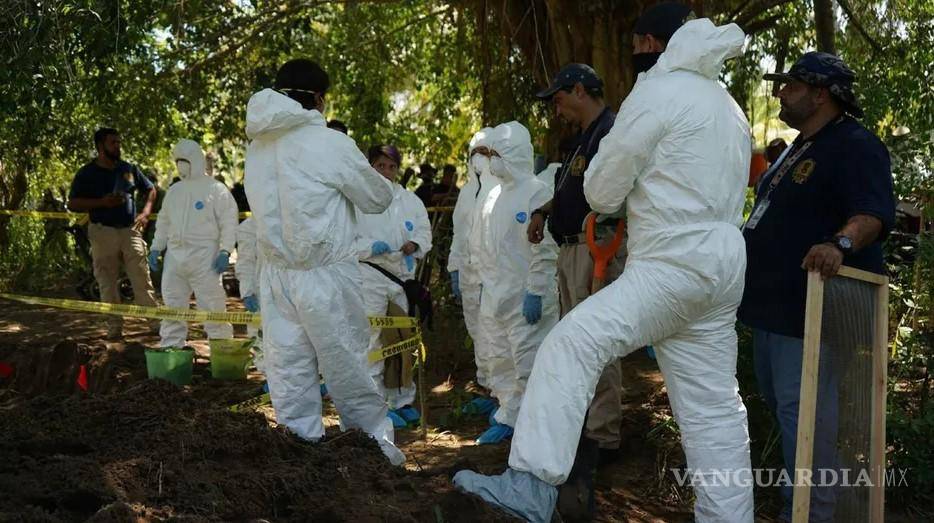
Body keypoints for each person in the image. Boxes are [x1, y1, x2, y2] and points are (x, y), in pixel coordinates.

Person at [454, 6, 755, 522]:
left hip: (671, 261)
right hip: (723, 266)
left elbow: (602, 191)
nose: (632, 54)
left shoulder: (657, 92)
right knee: (715, 412)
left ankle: (530, 486)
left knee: (568, 346)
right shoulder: (729, 106)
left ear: (649, 43)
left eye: (635, 46)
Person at [739, 52, 896, 523]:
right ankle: (805, 503)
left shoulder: (855, 144)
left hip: (813, 308)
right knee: (788, 407)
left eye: (791, 85)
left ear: (821, 94)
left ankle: (811, 513)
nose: (780, 92)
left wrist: (839, 244)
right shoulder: (798, 147)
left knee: (807, 413)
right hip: (773, 308)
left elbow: (872, 214)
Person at [243, 58, 404, 465]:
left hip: (277, 277)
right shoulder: (330, 143)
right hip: (326, 277)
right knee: (348, 367)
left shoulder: (257, 146)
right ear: (317, 98)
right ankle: (374, 453)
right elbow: (377, 198)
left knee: (289, 371)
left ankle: (300, 455)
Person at [527, 62, 627, 505]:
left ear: (581, 90)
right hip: (570, 248)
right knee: (575, 342)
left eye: (559, 98)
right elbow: (570, 190)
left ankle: (604, 435)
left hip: (597, 246)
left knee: (597, 341)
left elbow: (618, 194)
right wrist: (544, 210)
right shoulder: (579, 140)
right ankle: (585, 425)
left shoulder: (611, 132)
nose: (556, 108)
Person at [468, 121, 559, 445]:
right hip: (496, 295)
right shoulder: (493, 196)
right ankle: (509, 413)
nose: (491, 161)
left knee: (528, 362)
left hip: (525, 296)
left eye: (497, 154)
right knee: (499, 359)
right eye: (490, 153)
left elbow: (545, 249)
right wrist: (482, 282)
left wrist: (536, 290)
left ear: (516, 154)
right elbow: (483, 245)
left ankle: (532, 424)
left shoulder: (537, 192)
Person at [355, 144, 432, 427]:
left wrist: (415, 244)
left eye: (391, 167)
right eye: (380, 166)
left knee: (402, 339)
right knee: (372, 338)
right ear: (370, 167)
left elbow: (424, 232)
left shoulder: (410, 201)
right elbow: (346, 240)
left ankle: (402, 399)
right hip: (370, 275)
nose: (386, 172)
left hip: (402, 279)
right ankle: (374, 402)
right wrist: (369, 247)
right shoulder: (359, 200)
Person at [67, 128, 159, 339]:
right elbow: (72, 203)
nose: (118, 146)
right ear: (100, 146)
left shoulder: (128, 168)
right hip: (102, 232)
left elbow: (151, 189)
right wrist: (102, 202)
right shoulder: (86, 173)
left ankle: (155, 324)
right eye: (113, 143)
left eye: (119, 142)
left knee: (141, 278)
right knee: (107, 282)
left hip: (130, 231)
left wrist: (145, 213)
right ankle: (114, 327)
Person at [147, 139, 238, 348]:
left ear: (196, 160)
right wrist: (156, 247)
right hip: (174, 257)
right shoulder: (174, 191)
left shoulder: (216, 189)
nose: (180, 165)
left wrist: (225, 250)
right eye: (178, 160)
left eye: (185, 160)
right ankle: (172, 350)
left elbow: (229, 222)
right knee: (173, 306)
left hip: (205, 257)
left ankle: (222, 352)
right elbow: (164, 222)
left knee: (213, 307)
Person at [449, 127, 498, 406]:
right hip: (468, 275)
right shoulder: (467, 193)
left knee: (495, 335)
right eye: (475, 153)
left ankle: (501, 393)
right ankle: (485, 386)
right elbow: (459, 234)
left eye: (485, 152)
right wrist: (454, 269)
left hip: (492, 276)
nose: (479, 158)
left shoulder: (501, 189)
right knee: (477, 332)